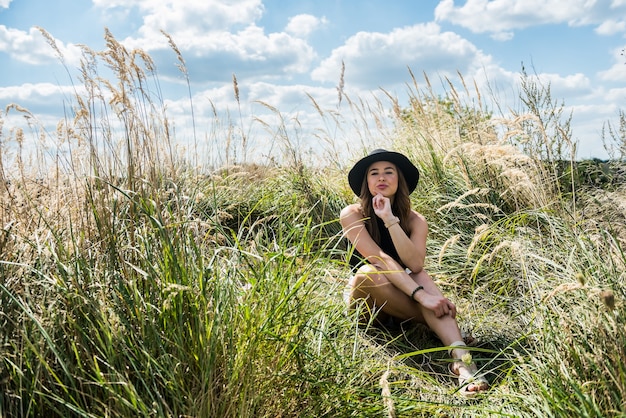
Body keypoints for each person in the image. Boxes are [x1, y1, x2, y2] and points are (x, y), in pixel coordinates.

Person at [340, 148, 489, 396]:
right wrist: (423, 297)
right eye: (374, 173)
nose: (381, 178)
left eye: (389, 172)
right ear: (366, 182)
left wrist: (389, 219)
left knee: (419, 275)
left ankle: (465, 363)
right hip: (366, 305)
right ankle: (443, 328)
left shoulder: (415, 220)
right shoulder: (352, 214)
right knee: (367, 272)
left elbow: (415, 264)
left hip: (398, 298)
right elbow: (380, 260)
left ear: (400, 180)